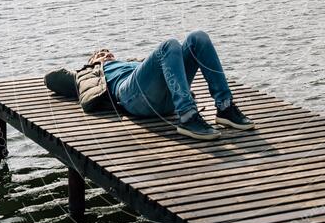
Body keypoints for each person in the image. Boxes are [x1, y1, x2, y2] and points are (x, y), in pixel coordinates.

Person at [86, 30, 253, 141]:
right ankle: (187, 116)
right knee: (170, 44)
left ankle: (225, 107)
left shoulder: (132, 64)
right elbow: (61, 80)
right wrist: (91, 67)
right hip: (131, 97)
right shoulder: (91, 73)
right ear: (92, 62)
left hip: (163, 97)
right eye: (100, 54)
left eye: (108, 52)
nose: (106, 54)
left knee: (198, 38)